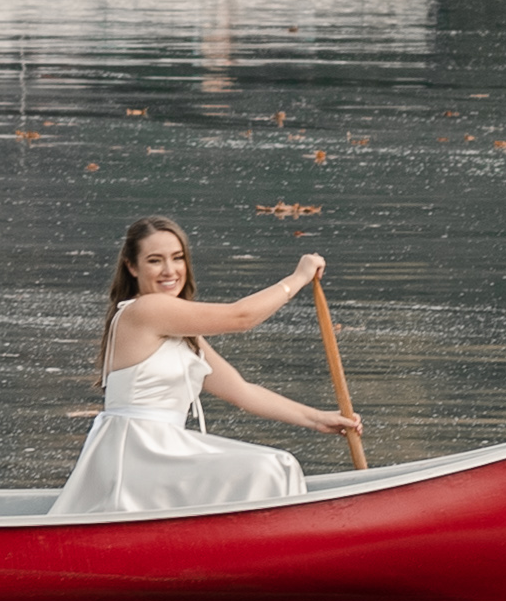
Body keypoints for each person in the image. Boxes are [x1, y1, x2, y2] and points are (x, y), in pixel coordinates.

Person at [49, 219, 354, 517]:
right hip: (135, 455)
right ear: (132, 267)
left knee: (278, 465)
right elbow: (241, 317)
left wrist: (319, 419)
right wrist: (298, 278)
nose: (170, 271)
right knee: (273, 466)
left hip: (162, 450)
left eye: (177, 258)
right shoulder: (145, 310)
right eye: (155, 261)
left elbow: (242, 392)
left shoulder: (181, 332)